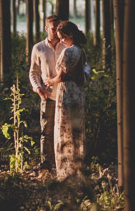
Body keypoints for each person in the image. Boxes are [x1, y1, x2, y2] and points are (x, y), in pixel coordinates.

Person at [46, 20, 87, 180]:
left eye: (62, 37)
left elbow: (62, 76)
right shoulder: (80, 51)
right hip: (78, 92)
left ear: (70, 35)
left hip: (68, 93)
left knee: (64, 129)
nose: (61, 41)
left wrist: (50, 81)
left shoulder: (69, 52)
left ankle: (65, 170)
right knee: (75, 128)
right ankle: (77, 166)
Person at [28, 15, 64, 170]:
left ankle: (62, 164)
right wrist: (37, 88)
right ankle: (46, 165)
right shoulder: (38, 48)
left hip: (65, 96)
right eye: (53, 28)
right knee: (46, 131)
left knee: (63, 131)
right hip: (47, 95)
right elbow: (33, 72)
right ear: (46, 28)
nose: (56, 31)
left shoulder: (67, 46)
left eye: (58, 28)